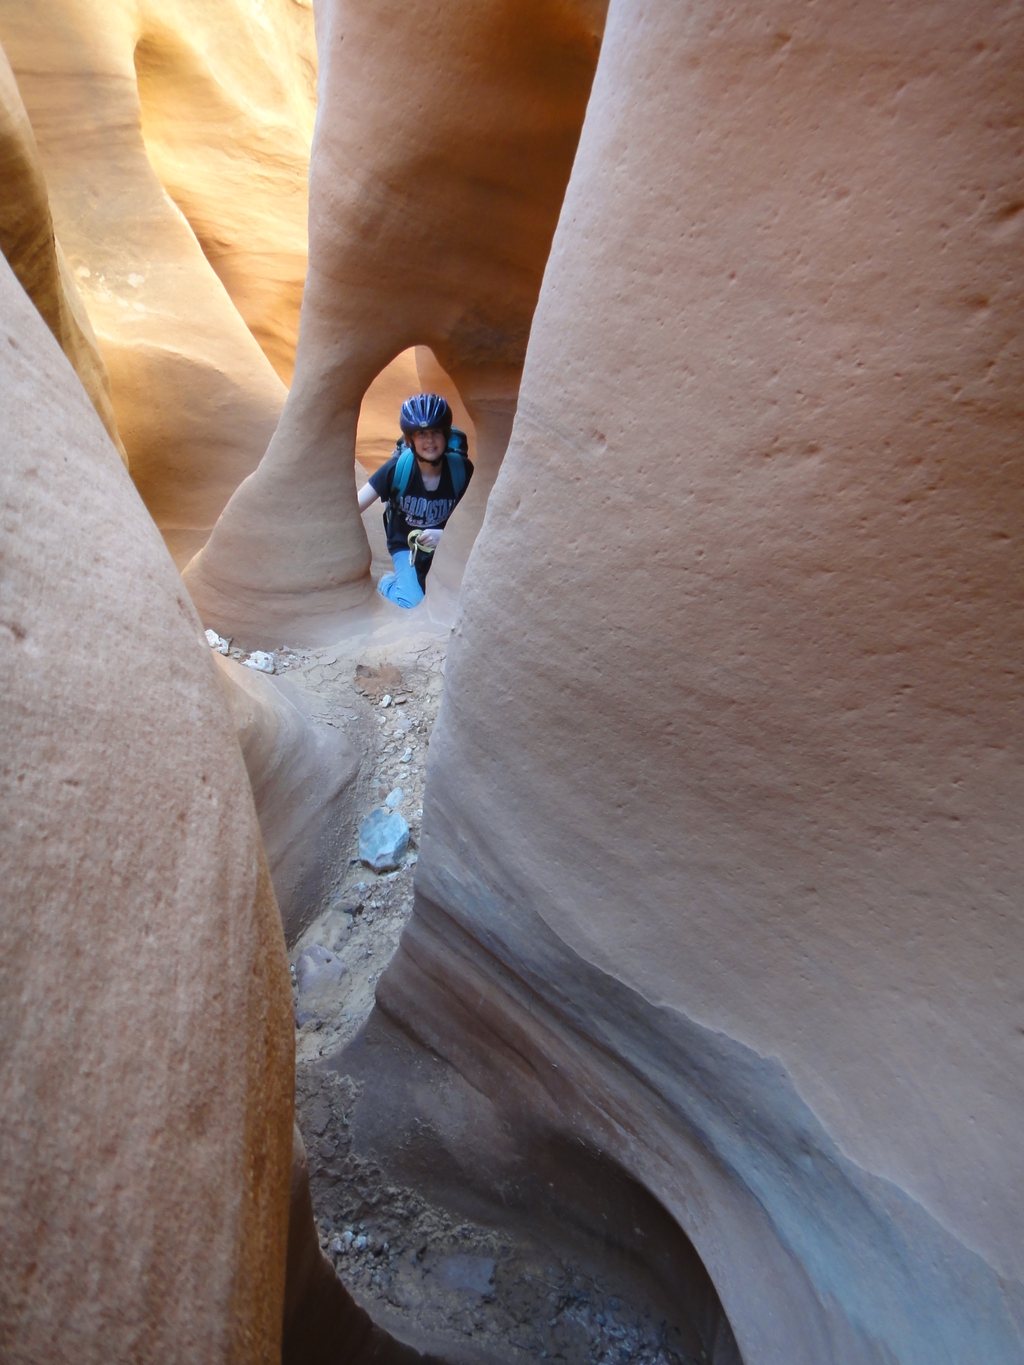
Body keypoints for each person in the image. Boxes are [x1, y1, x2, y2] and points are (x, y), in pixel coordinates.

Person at [357, 392, 474, 608]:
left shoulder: (461, 470)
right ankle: (388, 584)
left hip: (446, 547)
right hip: (406, 547)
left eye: (436, 432)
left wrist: (446, 537)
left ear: (446, 435)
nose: (429, 441)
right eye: (421, 434)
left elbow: (478, 517)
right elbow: (354, 506)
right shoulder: (397, 469)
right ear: (410, 439)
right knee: (412, 603)